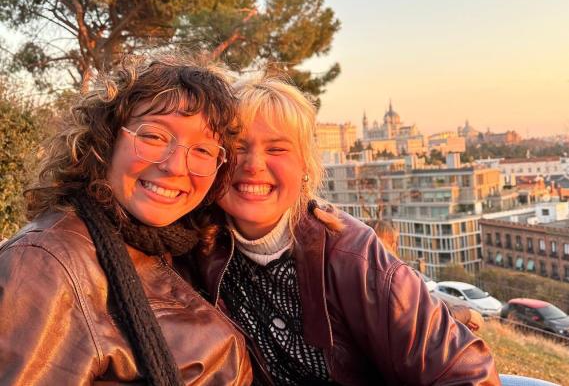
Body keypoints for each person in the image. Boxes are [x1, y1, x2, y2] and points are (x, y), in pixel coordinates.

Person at [192, 75, 500, 385]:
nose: (254, 164)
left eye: (276, 149)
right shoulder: (194, 242)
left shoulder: (355, 257)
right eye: (237, 146)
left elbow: (467, 375)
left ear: (306, 169)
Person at [0, 55, 252, 385]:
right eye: (154, 136)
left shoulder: (185, 247)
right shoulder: (43, 262)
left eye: (203, 150)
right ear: (106, 141)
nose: (176, 166)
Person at [367, 219, 484, 332]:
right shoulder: (395, 277)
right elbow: (430, 318)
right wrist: (466, 314)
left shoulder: (358, 278)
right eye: (396, 242)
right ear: (392, 244)